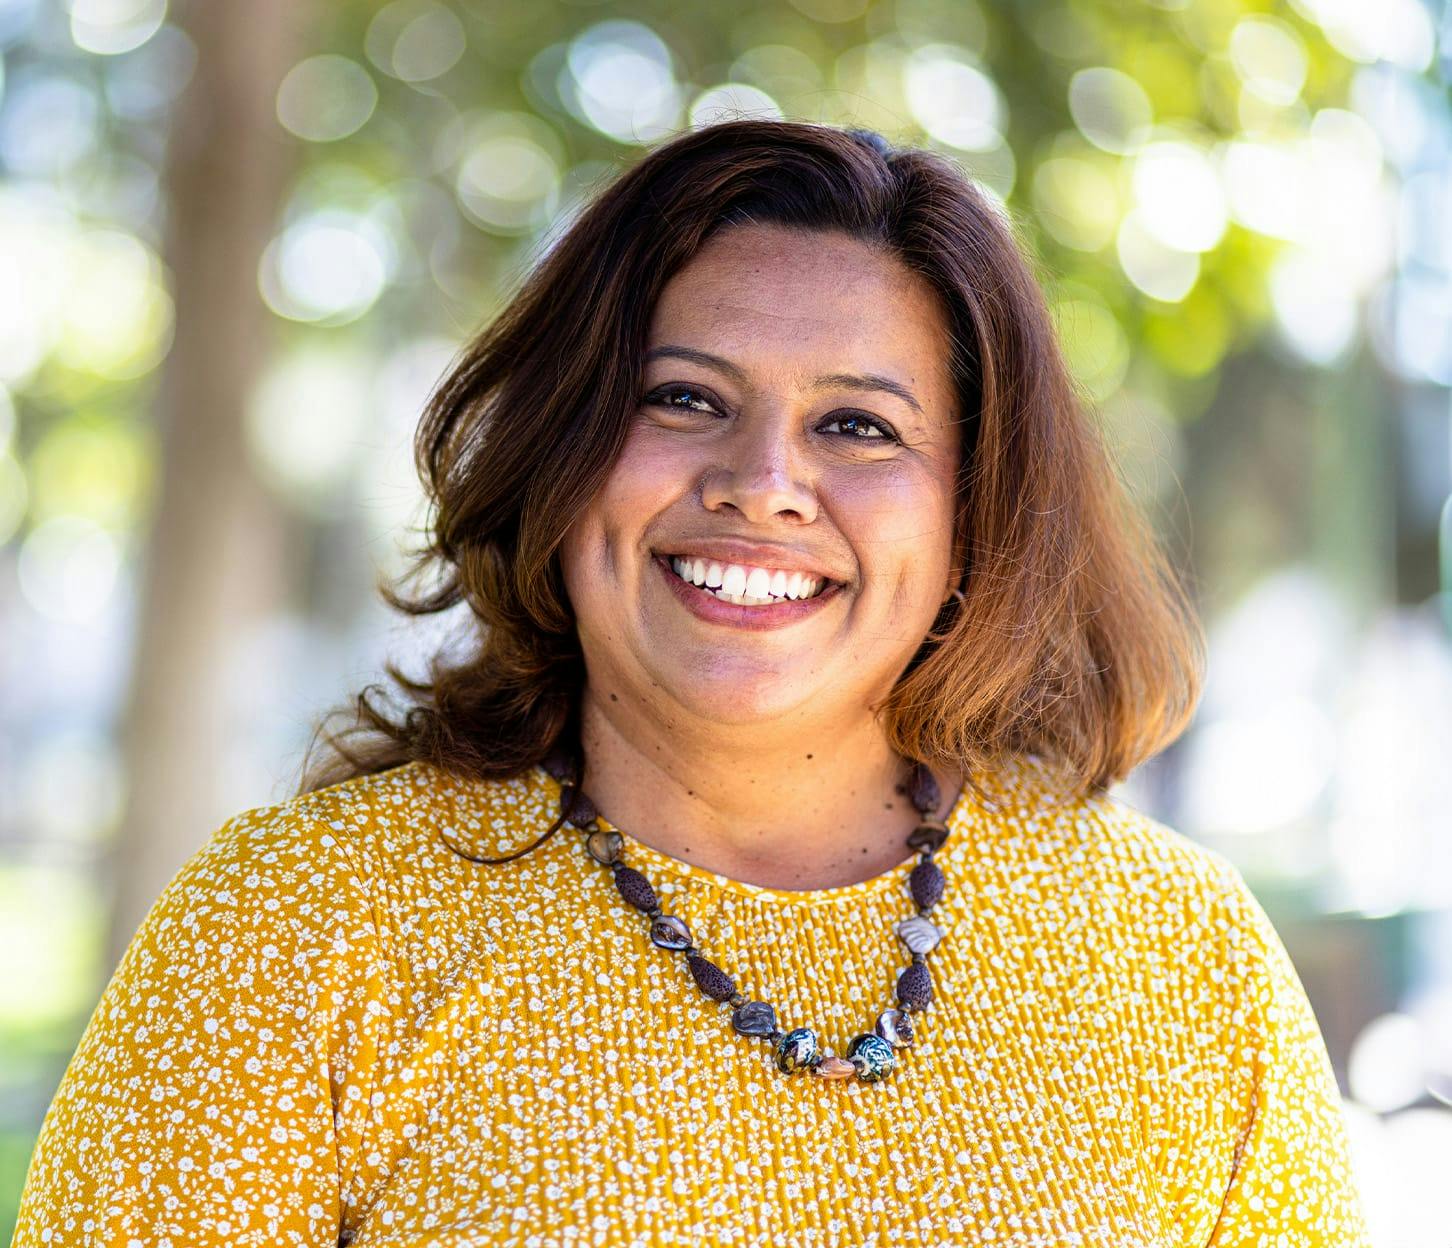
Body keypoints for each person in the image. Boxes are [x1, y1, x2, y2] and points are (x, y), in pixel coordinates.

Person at [12, 120, 1371, 1247]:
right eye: (682, 398)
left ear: (978, 510)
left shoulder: (1184, 964)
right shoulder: (294, 930)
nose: (762, 486)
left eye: (858, 424)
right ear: (565, 448)